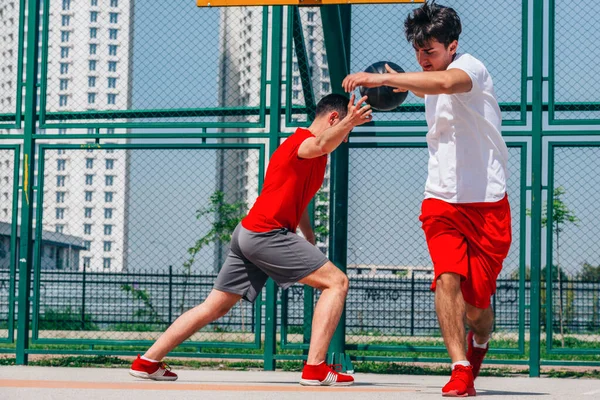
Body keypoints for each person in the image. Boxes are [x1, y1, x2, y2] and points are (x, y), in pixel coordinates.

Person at [128, 93, 372, 386]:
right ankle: (316, 368)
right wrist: (349, 122)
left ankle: (147, 361)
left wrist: (307, 235)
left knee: (215, 306)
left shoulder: (317, 156)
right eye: (347, 127)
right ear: (334, 119)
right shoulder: (301, 144)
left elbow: (300, 195)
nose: (348, 134)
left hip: (249, 233)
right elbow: (320, 142)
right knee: (337, 282)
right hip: (266, 233)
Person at [343, 1, 511, 397]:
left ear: (452, 46)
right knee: (446, 276)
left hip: (487, 204)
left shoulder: (471, 68)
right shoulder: (426, 78)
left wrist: (385, 79)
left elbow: (447, 83)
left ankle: (480, 343)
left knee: (478, 310)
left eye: (430, 51)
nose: (423, 59)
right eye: (418, 51)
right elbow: (427, 84)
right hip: (440, 200)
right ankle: (458, 368)